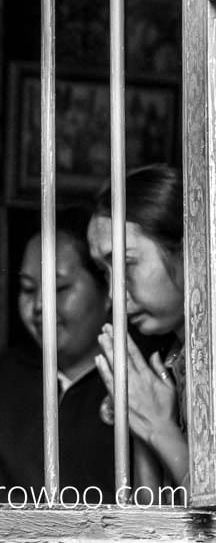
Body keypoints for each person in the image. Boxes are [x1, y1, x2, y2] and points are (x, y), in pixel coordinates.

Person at [0, 207, 117, 501]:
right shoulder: (6, 379)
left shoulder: (142, 377)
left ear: (108, 290)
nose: (40, 304)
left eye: (59, 288)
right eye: (29, 289)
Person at [90, 164, 188, 488]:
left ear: (188, 250)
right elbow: (152, 522)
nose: (114, 294)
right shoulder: (173, 360)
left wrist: (160, 429)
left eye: (126, 264)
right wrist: (141, 423)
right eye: (105, 272)